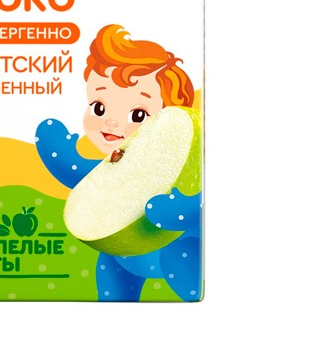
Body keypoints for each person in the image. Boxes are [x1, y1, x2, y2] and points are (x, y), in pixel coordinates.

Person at [35, 24, 202, 301]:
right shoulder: (115, 161)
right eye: (99, 107)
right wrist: (59, 155)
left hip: (174, 249)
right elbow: (87, 179)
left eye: (138, 115)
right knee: (113, 283)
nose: (111, 123)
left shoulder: (186, 156)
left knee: (180, 261)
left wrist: (181, 211)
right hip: (119, 256)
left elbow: (200, 203)